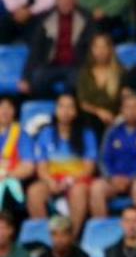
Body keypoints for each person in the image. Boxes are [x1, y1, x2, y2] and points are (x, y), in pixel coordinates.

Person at [27, 94, 98, 237]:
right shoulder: (45, 133)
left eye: (70, 107)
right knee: (34, 192)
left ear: (76, 111)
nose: (65, 111)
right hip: (53, 179)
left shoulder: (87, 134)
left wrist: (69, 181)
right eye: (61, 106)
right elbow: (41, 168)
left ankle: (71, 238)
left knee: (78, 192)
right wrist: (50, 181)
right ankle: (46, 238)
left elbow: (89, 168)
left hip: (77, 180)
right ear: (56, 110)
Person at [91, 92, 136, 218]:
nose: (132, 111)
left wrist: (131, 178)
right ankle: (102, 232)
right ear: (121, 110)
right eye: (128, 107)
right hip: (114, 179)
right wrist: (111, 177)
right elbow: (103, 158)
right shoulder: (112, 130)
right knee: (97, 187)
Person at [20, 0, 93, 98]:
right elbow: (35, 49)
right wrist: (25, 78)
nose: (65, 1)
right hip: (51, 65)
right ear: (56, 0)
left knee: (76, 82)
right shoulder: (46, 18)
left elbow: (92, 46)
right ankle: (53, 107)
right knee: (37, 79)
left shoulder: (86, 18)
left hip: (76, 65)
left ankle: (67, 108)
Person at [76, 32, 125, 134]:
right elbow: (82, 102)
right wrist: (99, 112)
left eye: (104, 47)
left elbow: (125, 99)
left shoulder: (121, 72)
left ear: (110, 49)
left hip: (116, 117)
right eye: (96, 47)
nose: (100, 51)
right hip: (91, 117)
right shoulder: (85, 72)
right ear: (92, 50)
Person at [0, 96, 34, 213]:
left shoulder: (22, 135)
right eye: (1, 107)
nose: (4, 111)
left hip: (12, 181)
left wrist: (7, 175)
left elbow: (28, 166)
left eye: (9, 107)